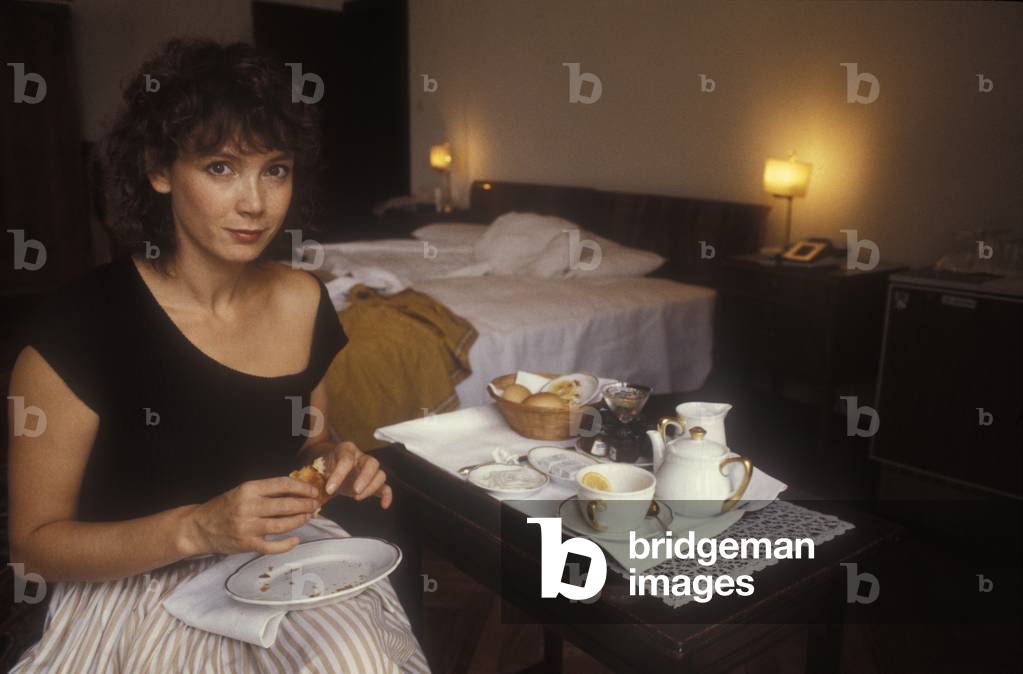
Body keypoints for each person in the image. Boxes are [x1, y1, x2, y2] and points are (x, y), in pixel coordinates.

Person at [7, 38, 429, 673]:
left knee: (351, 660)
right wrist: (197, 529)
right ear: (158, 170)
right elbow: (34, 547)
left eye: (275, 169)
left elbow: (308, 440)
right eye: (221, 168)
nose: (255, 203)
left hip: (279, 565)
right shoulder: (77, 329)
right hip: (133, 586)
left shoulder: (302, 299)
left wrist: (332, 458)